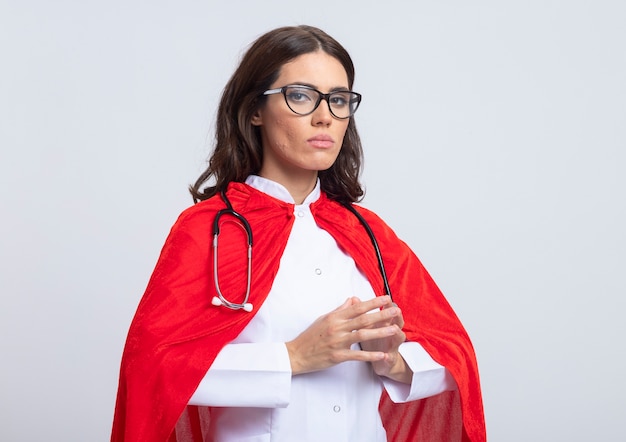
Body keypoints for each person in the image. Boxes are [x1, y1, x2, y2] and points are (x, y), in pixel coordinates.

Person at [112, 25, 485, 442]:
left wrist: (394, 362)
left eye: (339, 100)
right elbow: (154, 372)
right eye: (302, 95)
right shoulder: (207, 230)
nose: (325, 115)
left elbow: (456, 358)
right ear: (255, 109)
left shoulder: (368, 233)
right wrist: (291, 358)